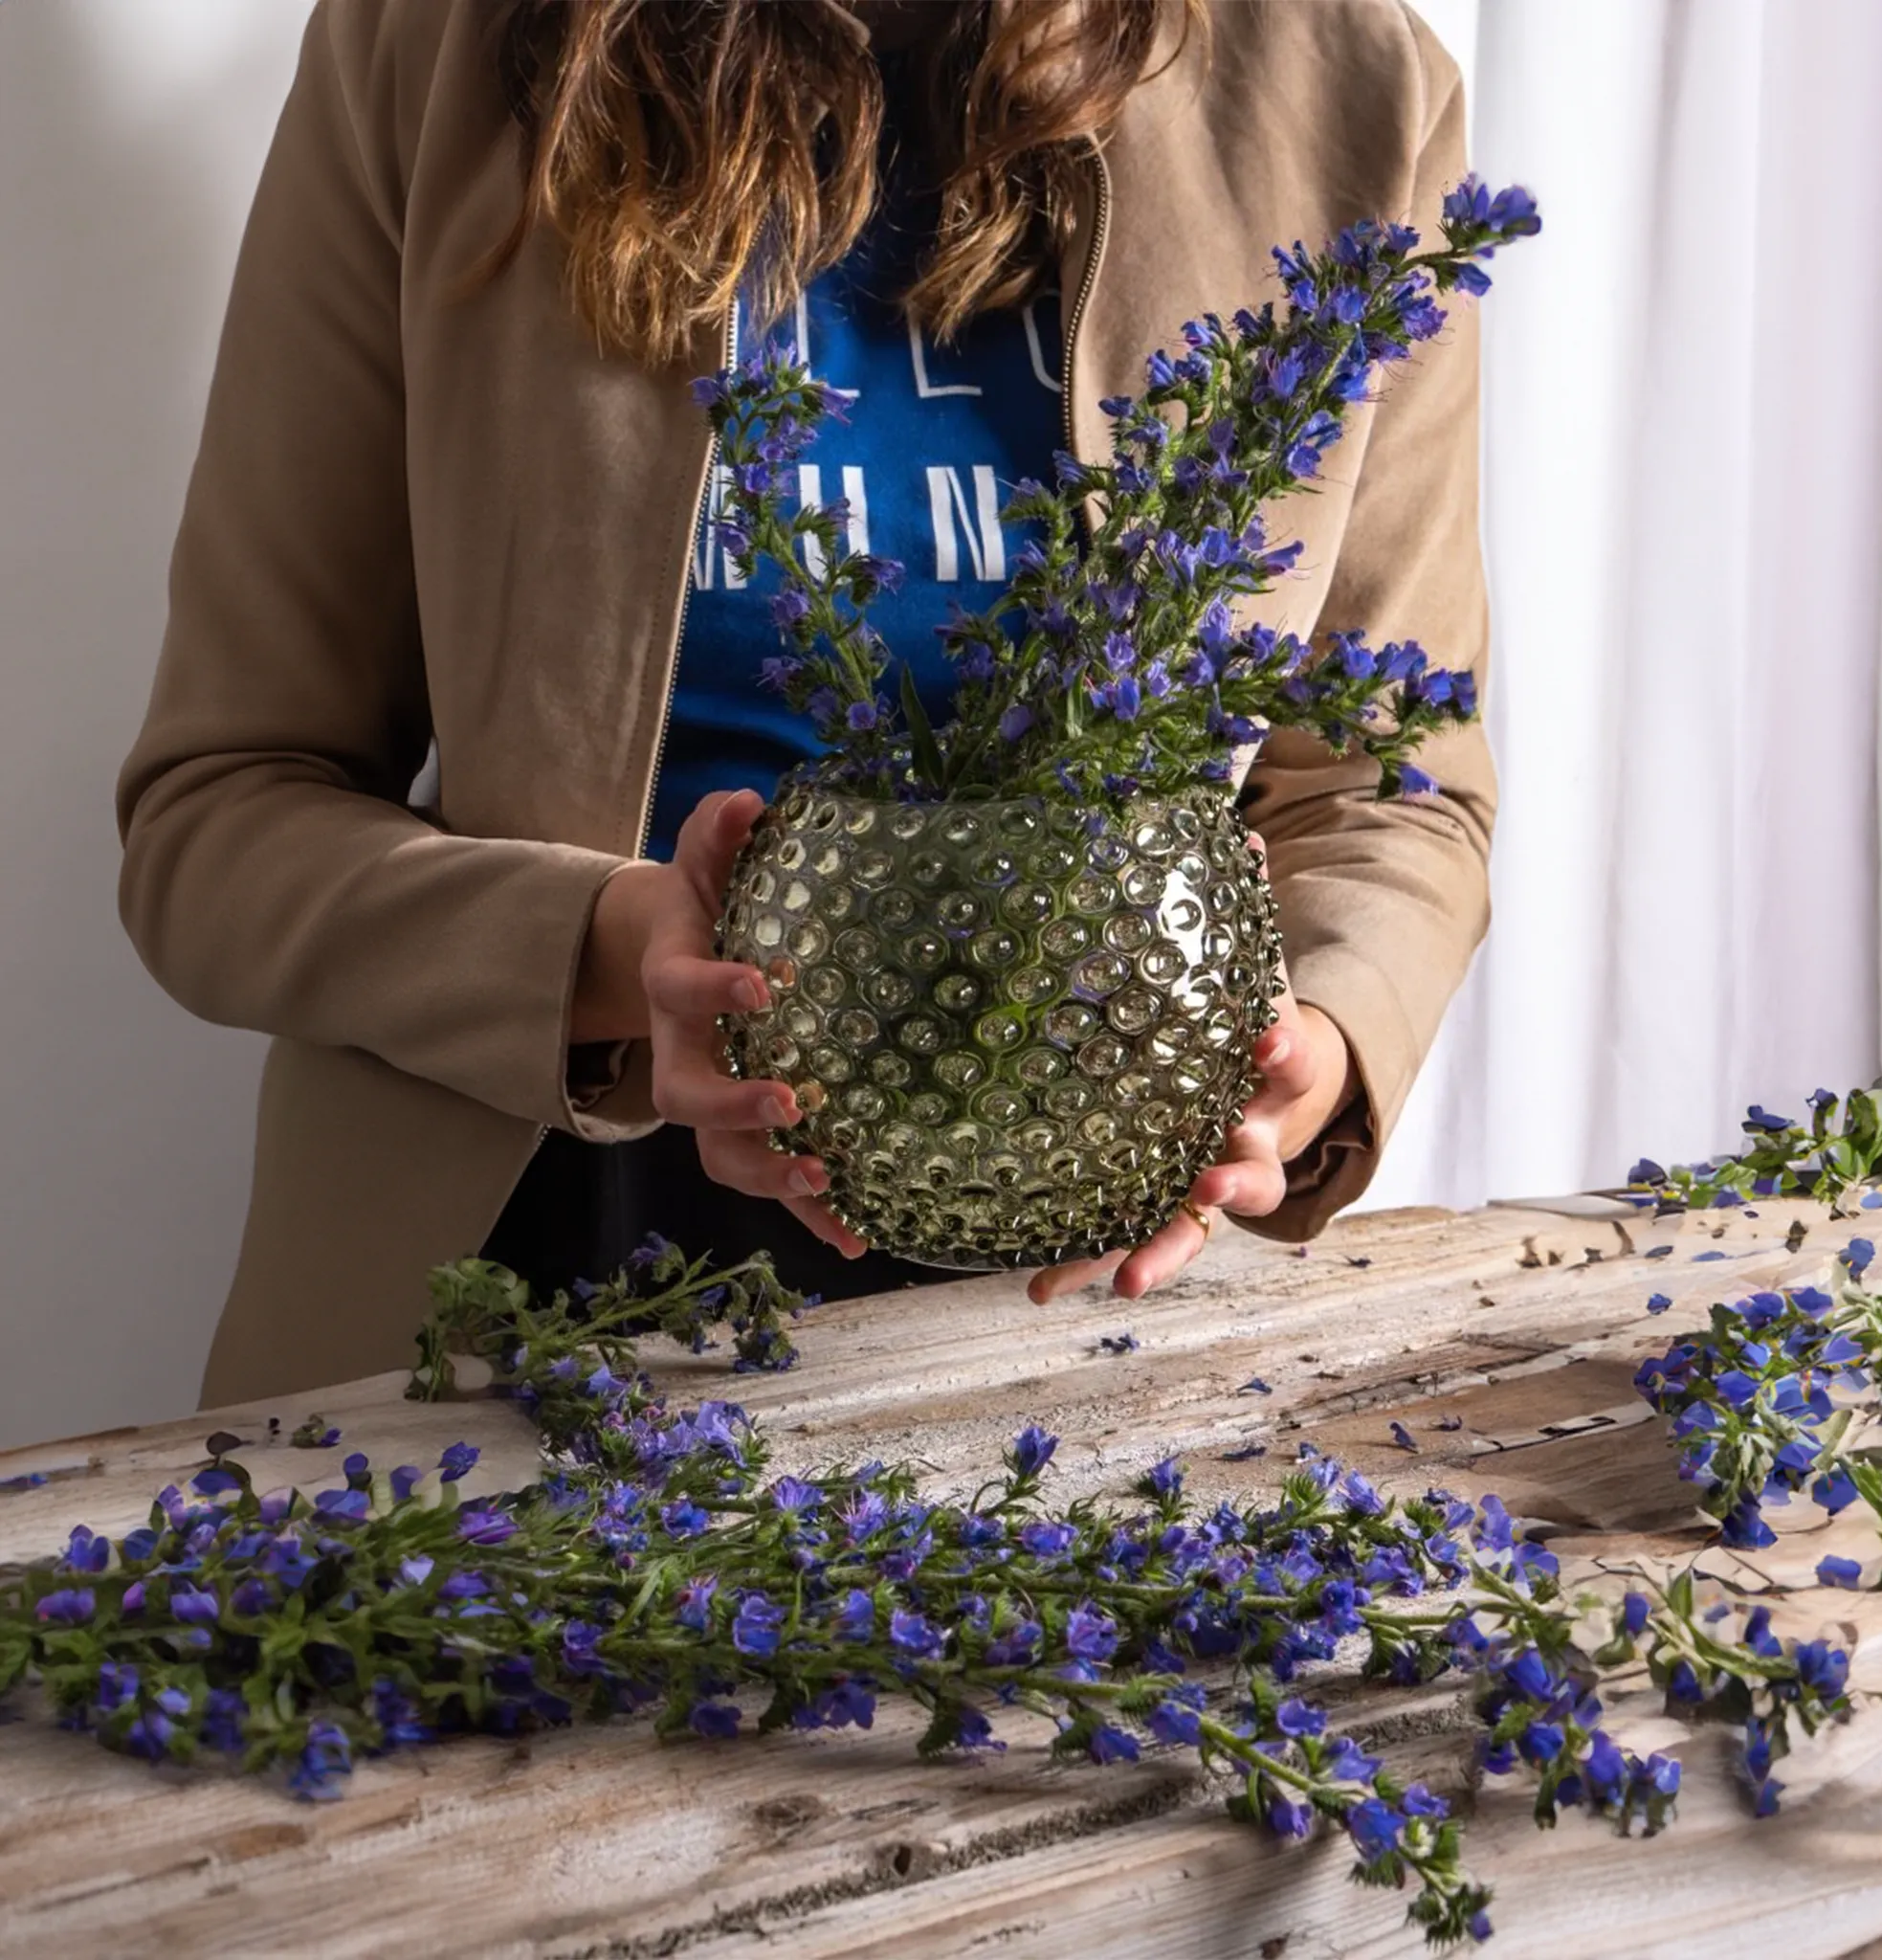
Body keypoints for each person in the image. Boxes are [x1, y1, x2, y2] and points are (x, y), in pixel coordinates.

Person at [117, 0, 1496, 1408]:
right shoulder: (437, 52)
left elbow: (1388, 789)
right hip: (510, 1316)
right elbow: (216, 821)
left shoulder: (1347, 87)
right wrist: (606, 956)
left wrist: (1304, 1052)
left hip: (1097, 1330)